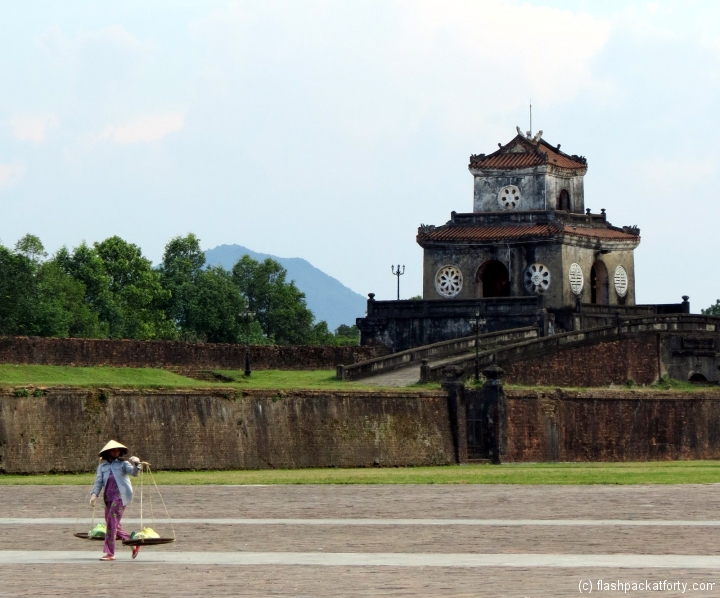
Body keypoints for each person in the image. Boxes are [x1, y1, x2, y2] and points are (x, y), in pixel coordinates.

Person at [90, 440, 142, 561]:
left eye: (118, 450)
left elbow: (134, 473)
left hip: (120, 497)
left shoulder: (123, 464)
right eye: (113, 450)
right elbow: (98, 482)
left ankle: (110, 553)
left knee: (111, 522)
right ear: (108, 452)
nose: (116, 452)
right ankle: (132, 541)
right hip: (108, 498)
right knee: (113, 525)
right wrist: (94, 495)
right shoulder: (102, 467)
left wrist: (137, 464)